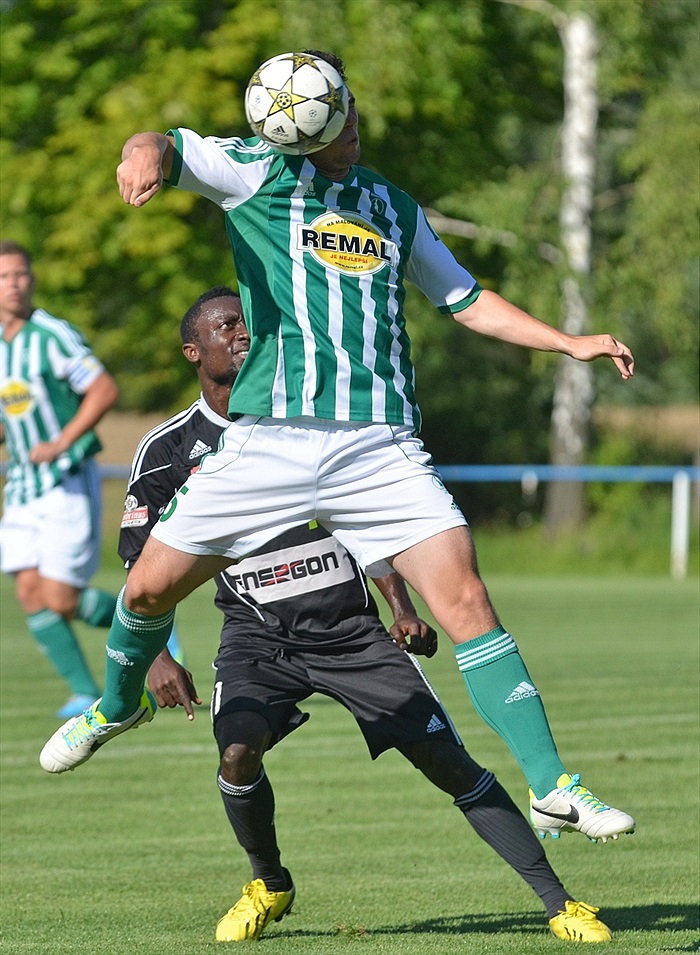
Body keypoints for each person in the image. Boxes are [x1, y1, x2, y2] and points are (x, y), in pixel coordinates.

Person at [41, 51, 635, 849]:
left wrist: (569, 342)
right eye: (334, 129)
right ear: (297, 139)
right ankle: (118, 703)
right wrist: (141, 152)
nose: (352, 131)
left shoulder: (391, 205)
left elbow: (465, 298)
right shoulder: (252, 171)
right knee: (147, 593)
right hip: (270, 438)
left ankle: (555, 786)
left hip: (377, 444)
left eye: (350, 113)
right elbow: (166, 143)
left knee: (464, 597)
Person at [131, 286, 613, 943]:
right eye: (227, 325)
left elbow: (368, 518)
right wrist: (157, 655)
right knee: (237, 752)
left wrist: (403, 606)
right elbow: (143, 571)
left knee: (448, 761)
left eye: (250, 321)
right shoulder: (166, 449)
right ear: (194, 350)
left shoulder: (302, 418)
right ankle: (268, 881)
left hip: (349, 630)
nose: (244, 333)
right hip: (256, 635)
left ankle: (560, 902)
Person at [0, 241, 119, 718]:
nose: (15, 284)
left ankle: (151, 623)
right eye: (5, 277)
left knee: (61, 597)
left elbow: (103, 388)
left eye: (22, 275)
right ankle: (84, 692)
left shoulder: (52, 335)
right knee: (29, 592)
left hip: (65, 478)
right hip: (21, 489)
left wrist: (62, 440)